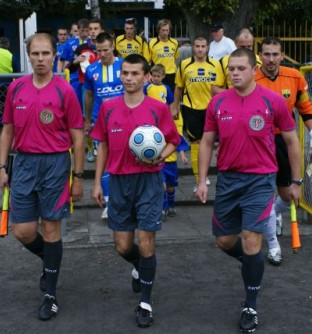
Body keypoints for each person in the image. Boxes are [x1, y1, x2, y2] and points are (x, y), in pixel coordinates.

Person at [195, 48, 302, 333]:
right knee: (224, 240)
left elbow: (292, 142)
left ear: (253, 69)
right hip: (228, 180)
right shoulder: (217, 102)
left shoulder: (273, 101)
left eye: (241, 68)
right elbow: (206, 142)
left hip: (260, 180)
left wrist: (296, 181)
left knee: (253, 239)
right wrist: (202, 180)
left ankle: (250, 306)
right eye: (231, 69)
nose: (234, 74)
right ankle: (251, 262)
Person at [0, 33, 85, 321]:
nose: (40, 59)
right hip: (23, 165)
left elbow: (77, 137)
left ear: (53, 55)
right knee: (22, 231)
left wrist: (79, 176)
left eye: (45, 53)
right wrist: (1, 167)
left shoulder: (65, 90)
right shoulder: (16, 88)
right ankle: (49, 262)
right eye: (35, 54)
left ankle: (51, 294)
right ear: (28, 55)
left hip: (55, 166)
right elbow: (7, 130)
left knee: (51, 229)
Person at [90, 54, 180, 328]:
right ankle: (140, 267)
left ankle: (145, 303)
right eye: (125, 73)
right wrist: (96, 182)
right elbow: (102, 145)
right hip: (118, 182)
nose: (128, 78)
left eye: (134, 74)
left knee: (147, 241)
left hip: (149, 181)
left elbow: (174, 141)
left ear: (146, 77)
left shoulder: (157, 107)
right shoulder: (108, 108)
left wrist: (160, 157)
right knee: (123, 246)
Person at [255, 37, 312, 266]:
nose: (271, 59)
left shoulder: (295, 76)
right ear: (260, 56)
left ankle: (275, 213)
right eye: (266, 54)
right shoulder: (251, 77)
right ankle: (273, 246)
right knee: (264, 198)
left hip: (286, 140)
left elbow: (305, 108)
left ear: (282, 55)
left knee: (287, 197)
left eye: (275, 54)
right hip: (259, 143)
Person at [172, 36, 224, 192]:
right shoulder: (184, 64)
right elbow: (178, 88)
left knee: (218, 144)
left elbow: (221, 88)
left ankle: (221, 178)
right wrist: (175, 107)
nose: (200, 49)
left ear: (207, 48)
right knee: (196, 144)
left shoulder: (216, 64)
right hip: (191, 108)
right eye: (197, 46)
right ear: (193, 48)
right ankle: (199, 179)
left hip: (212, 109)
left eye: (203, 46)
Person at [84, 32, 124, 220]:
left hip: (125, 122)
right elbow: (89, 95)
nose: (103, 54)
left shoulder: (125, 65)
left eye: (106, 50)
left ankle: (127, 200)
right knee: (106, 162)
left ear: (113, 46)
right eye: (99, 51)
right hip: (102, 124)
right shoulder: (91, 70)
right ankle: (109, 203)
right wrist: (87, 119)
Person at [144, 63, 189, 218]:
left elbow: (170, 102)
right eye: (153, 76)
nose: (155, 78)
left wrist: (171, 115)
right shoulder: (147, 88)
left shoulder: (166, 89)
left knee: (170, 187)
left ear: (163, 76)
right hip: (151, 121)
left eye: (158, 76)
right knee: (162, 185)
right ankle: (162, 207)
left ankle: (170, 205)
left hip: (170, 161)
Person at [68, 18, 104, 163]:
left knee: (104, 118)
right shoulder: (81, 48)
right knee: (87, 120)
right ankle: (90, 148)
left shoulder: (106, 47)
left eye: (96, 29)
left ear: (101, 30)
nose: (93, 32)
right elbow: (69, 67)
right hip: (86, 88)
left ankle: (105, 146)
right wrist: (76, 61)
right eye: (91, 29)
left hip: (104, 88)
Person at [214, 27, 262, 92]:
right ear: (235, 43)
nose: (245, 49)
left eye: (249, 46)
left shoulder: (261, 61)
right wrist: (236, 94)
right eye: (242, 47)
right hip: (231, 101)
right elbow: (214, 90)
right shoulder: (223, 62)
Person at [58, 18, 91, 107]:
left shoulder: (91, 42)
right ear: (78, 30)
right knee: (75, 102)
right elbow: (61, 60)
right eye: (81, 30)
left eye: (86, 30)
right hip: (74, 78)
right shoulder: (70, 43)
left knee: (88, 102)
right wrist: (59, 75)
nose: (84, 32)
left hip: (89, 77)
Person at [147, 19, 179, 90]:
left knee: (170, 98)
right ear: (158, 30)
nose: (165, 32)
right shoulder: (152, 42)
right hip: (157, 75)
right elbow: (147, 61)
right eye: (163, 30)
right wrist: (149, 74)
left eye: (167, 30)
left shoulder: (175, 42)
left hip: (171, 74)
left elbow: (175, 58)